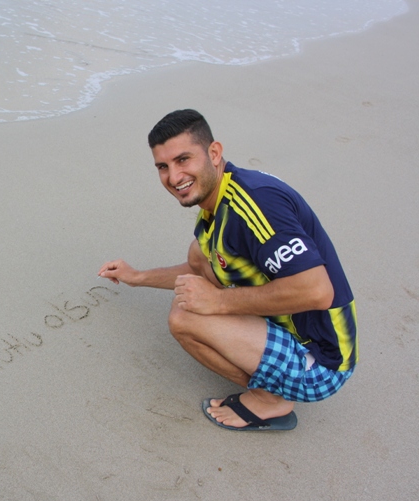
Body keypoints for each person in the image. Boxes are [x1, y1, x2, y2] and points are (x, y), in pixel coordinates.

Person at [98, 109, 357, 431]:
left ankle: (271, 400)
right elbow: (199, 269)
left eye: (183, 160)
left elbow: (316, 291)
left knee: (184, 317)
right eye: (163, 167)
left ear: (214, 153)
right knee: (199, 257)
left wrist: (218, 302)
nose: (174, 177)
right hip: (289, 327)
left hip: (322, 361)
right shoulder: (219, 202)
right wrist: (137, 277)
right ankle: (271, 383)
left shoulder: (255, 204)